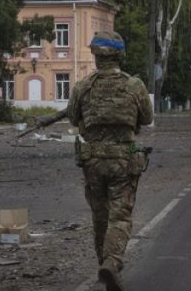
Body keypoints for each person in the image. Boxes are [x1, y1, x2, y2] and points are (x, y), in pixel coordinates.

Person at [40, 31, 153, 291]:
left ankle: (104, 263)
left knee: (100, 216)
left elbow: (72, 118)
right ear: (119, 55)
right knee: (120, 215)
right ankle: (112, 262)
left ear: (94, 55)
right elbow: (146, 118)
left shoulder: (82, 86)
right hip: (123, 160)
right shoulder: (134, 85)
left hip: (92, 161)